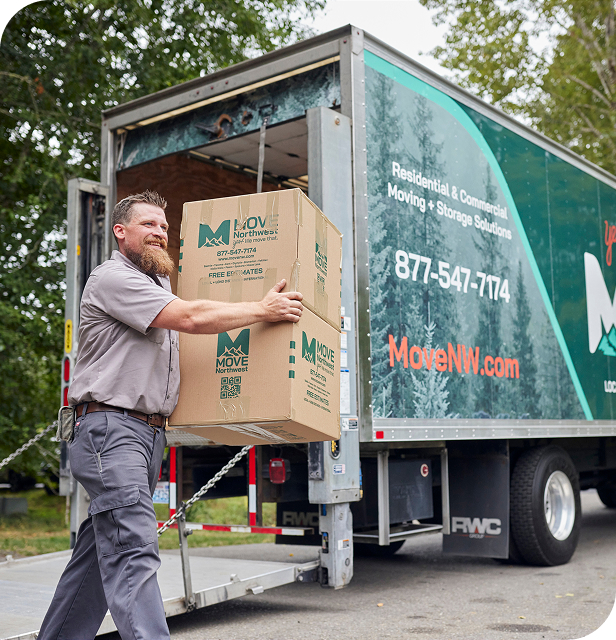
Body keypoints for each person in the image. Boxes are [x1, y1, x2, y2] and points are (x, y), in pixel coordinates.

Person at [38, 190, 303, 640]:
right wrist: (262, 309)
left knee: (100, 556)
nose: (160, 233)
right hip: (110, 431)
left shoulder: (157, 286)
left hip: (143, 436)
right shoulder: (113, 279)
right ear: (121, 232)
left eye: (164, 226)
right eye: (148, 225)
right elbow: (193, 318)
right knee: (133, 549)